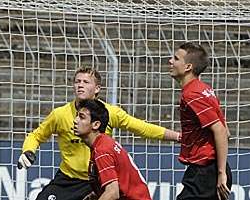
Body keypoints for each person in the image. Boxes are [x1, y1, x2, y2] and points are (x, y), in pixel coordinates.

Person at [17, 66, 180, 200]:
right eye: (77, 81)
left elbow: (142, 128)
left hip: (97, 178)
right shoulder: (60, 114)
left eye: (86, 82)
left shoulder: (108, 114)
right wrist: (28, 150)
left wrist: (178, 136)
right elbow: (36, 135)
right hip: (69, 178)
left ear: (97, 89)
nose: (80, 85)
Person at [169, 42, 232, 200]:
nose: (170, 61)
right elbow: (226, 131)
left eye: (176, 58)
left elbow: (220, 130)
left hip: (206, 172)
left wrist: (221, 173)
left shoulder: (192, 94)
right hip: (209, 169)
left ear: (188, 67)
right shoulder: (205, 89)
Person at [73, 99, 152, 200]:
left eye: (81, 117)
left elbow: (112, 193)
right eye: (76, 116)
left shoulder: (102, 150)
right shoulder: (104, 143)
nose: (75, 120)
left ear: (96, 125)